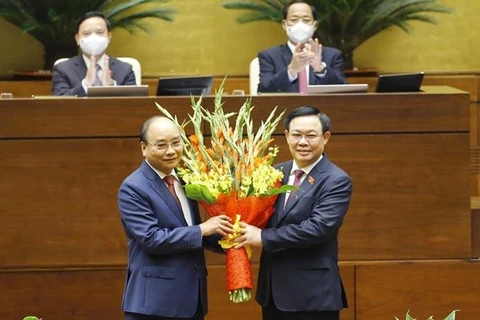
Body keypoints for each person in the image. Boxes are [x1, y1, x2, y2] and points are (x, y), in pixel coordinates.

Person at [234, 106, 352, 320]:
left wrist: (261, 237)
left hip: (312, 295)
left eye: (311, 135)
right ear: (287, 136)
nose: (303, 142)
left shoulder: (336, 180)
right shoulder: (274, 172)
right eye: (296, 135)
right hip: (272, 293)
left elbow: (318, 229)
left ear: (325, 137)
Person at [118, 116, 234, 320]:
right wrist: (202, 230)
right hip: (154, 305)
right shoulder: (133, 188)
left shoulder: (185, 178)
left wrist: (230, 240)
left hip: (191, 300)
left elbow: (192, 229)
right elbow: (152, 239)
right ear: (144, 148)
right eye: (161, 145)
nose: (171, 150)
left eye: (176, 142)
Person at [257, 1, 347, 93]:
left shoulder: (332, 55)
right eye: (294, 20)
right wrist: (291, 70)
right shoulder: (269, 56)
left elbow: (344, 91)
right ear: (284, 24)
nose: (300, 24)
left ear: (315, 25)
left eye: (306, 20)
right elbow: (263, 90)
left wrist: (320, 69)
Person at [52, 11, 136, 96]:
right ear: (77, 39)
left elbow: (134, 105)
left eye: (99, 32)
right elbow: (59, 103)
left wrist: (111, 86)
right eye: (86, 33)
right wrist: (85, 84)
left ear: (109, 36)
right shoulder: (62, 69)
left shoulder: (125, 70)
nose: (94, 37)